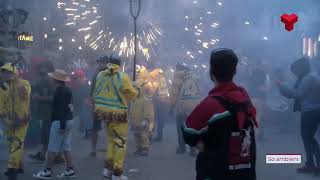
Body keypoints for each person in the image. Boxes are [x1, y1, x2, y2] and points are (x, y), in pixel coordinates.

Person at [182, 49, 258, 180]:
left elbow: (189, 132)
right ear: (234, 72)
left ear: (211, 74)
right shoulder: (244, 99)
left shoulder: (210, 105)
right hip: (245, 173)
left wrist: (204, 145)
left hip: (215, 173)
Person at [93, 55, 137, 180]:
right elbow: (131, 95)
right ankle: (117, 173)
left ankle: (107, 169)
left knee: (111, 141)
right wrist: (134, 88)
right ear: (119, 64)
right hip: (118, 114)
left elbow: (96, 92)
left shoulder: (100, 75)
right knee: (121, 142)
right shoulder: (122, 77)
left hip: (104, 113)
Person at [277, 57, 320, 175]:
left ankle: (316, 165)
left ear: (301, 69)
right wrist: (283, 88)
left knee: (309, 139)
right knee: (308, 138)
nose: (295, 74)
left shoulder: (308, 78)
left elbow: (297, 94)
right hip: (312, 110)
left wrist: (282, 86)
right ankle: (310, 164)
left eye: (296, 71)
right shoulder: (311, 76)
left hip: (310, 111)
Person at [33, 69, 76, 179]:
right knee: (66, 147)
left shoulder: (59, 92)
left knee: (52, 147)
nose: (51, 79)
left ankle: (47, 171)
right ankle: (70, 169)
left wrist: (61, 126)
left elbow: (61, 110)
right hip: (69, 120)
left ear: (56, 80)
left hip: (61, 121)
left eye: (53, 78)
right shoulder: (67, 89)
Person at [0, 63, 31, 180]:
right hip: (8, 122)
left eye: (9, 72)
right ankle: (19, 165)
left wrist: (15, 84)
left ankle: (12, 170)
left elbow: (25, 94)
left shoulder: (24, 83)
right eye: (4, 72)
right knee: (11, 144)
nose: (6, 74)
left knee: (17, 144)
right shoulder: (2, 87)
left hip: (22, 120)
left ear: (15, 73)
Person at [29, 60, 58, 162]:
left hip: (50, 113)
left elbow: (53, 98)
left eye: (43, 67)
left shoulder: (50, 80)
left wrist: (39, 97)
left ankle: (56, 156)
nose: (41, 69)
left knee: (49, 134)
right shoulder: (42, 79)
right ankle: (42, 153)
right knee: (45, 134)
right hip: (44, 113)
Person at [170, 63, 200, 156]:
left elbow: (174, 93)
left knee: (180, 127)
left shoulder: (178, 77)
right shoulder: (194, 76)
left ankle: (182, 147)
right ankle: (193, 149)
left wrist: (171, 106)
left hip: (183, 105)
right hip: (195, 104)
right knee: (192, 126)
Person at [130, 69, 155, 156]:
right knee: (138, 132)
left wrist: (146, 118)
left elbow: (148, 106)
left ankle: (144, 148)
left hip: (141, 113)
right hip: (137, 113)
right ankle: (140, 147)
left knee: (142, 132)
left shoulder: (145, 86)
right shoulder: (144, 85)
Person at [89, 56, 109, 157]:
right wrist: (92, 103)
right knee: (95, 129)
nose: (100, 64)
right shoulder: (96, 74)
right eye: (100, 62)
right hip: (98, 105)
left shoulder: (111, 74)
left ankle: (111, 148)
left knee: (110, 128)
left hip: (109, 106)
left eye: (102, 62)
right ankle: (93, 149)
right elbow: (92, 89)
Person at [149, 68, 169, 142]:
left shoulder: (157, 81)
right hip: (164, 102)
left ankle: (151, 136)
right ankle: (159, 135)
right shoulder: (163, 79)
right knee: (160, 119)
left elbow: (152, 91)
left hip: (158, 102)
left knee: (153, 119)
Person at [71, 69, 92, 138]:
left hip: (84, 104)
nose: (75, 80)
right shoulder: (76, 85)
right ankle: (84, 131)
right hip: (79, 103)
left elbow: (88, 94)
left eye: (76, 78)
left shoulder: (85, 85)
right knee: (82, 118)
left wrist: (88, 101)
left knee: (85, 118)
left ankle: (88, 132)